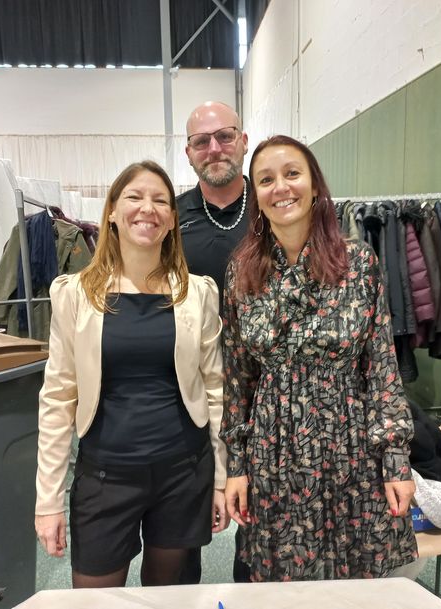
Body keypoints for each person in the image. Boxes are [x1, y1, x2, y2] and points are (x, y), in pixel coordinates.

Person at [221, 135, 417, 581]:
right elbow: (238, 377)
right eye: (266, 179)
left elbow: (382, 368)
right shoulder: (242, 270)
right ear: (256, 195)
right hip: (273, 448)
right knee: (282, 581)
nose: (281, 187)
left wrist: (396, 461)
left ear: (314, 185)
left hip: (348, 443)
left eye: (292, 173)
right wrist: (236, 465)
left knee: (352, 582)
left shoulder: (357, 262)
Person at [34, 161, 229, 588]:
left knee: (170, 596)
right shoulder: (75, 295)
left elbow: (215, 389)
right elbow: (58, 397)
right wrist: (47, 500)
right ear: (111, 212)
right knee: (95, 598)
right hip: (105, 477)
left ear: (172, 219)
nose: (148, 208)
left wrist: (220, 477)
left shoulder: (197, 293)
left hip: (184, 472)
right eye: (135, 197)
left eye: (160, 200)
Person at [177, 101, 251, 584]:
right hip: (189, 383)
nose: (214, 148)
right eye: (201, 141)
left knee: (259, 508)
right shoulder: (170, 216)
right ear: (189, 153)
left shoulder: (273, 206)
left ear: (243, 141)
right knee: (184, 511)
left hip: (263, 383)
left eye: (224, 136)